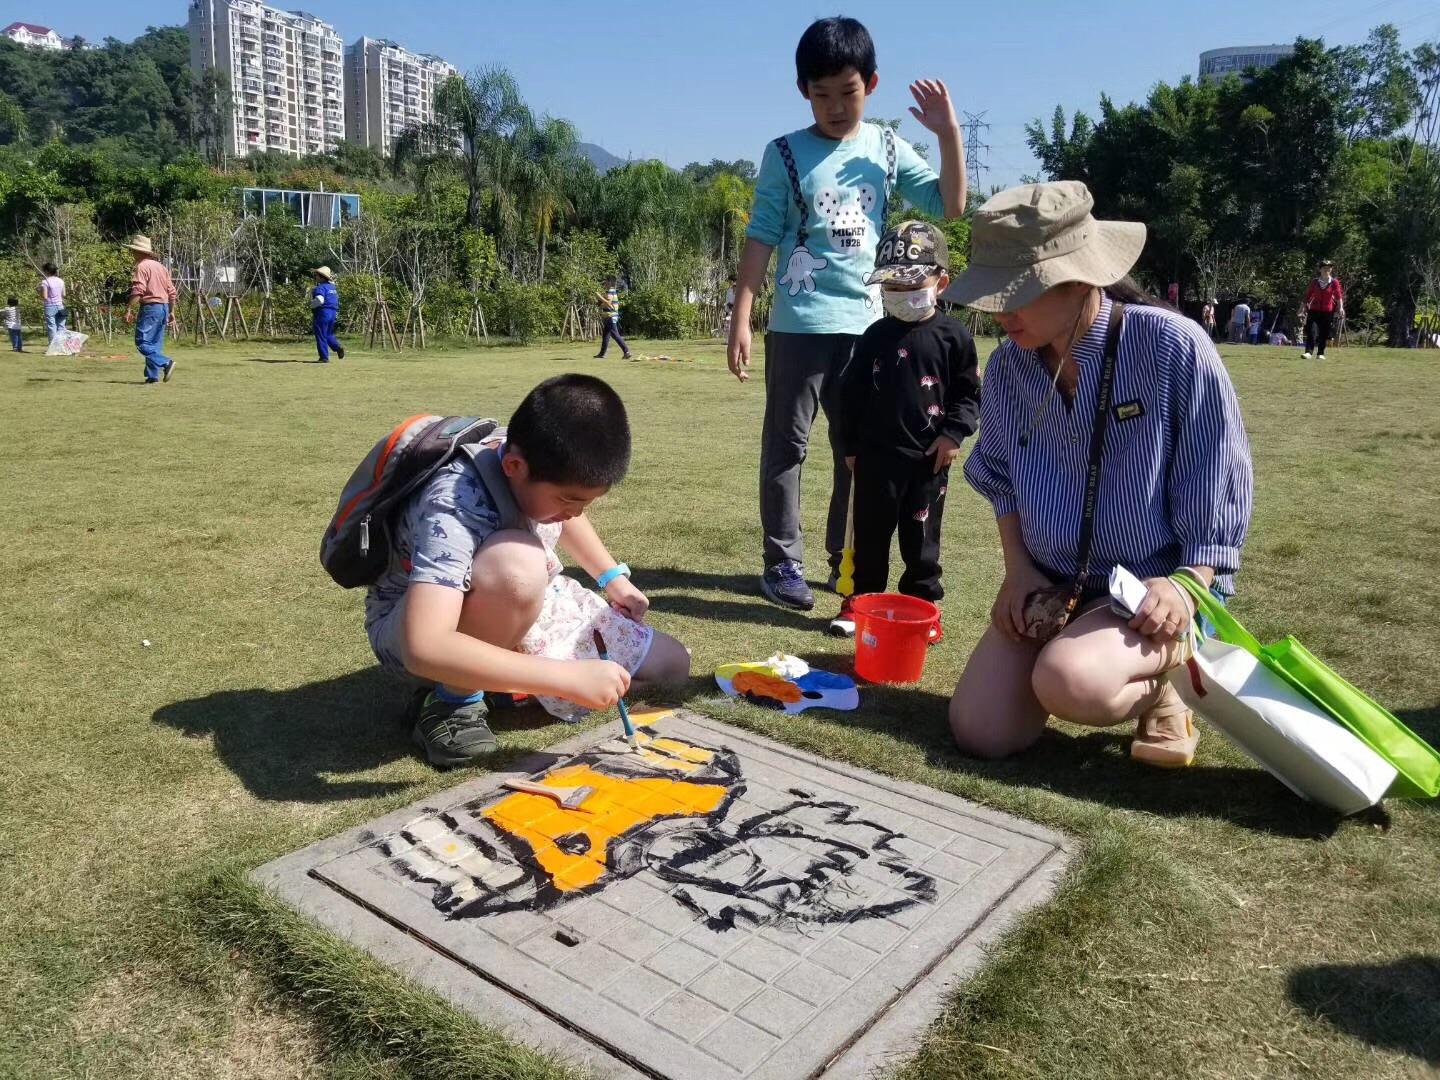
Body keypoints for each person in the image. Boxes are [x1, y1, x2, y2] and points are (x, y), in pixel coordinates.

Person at [943, 181, 1253, 768]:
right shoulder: (1012, 363)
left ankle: (1168, 682)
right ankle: (1080, 649)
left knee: (1070, 682)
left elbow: (1218, 475)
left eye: (1020, 291)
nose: (1001, 310)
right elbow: (1002, 476)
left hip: (1152, 590)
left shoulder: (1170, 345)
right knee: (980, 732)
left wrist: (1188, 582)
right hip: (1053, 580)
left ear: (1082, 278)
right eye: (994, 292)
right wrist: (1018, 572)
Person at [728, 16, 966, 611]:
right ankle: (782, 564)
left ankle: (846, 562)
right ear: (803, 90)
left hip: (871, 332)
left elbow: (952, 204)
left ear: (872, 84)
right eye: (822, 92)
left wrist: (948, 132)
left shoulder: (886, 147)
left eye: (849, 92)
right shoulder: (783, 153)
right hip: (798, 327)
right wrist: (741, 315)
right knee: (786, 448)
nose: (836, 105)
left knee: (855, 453)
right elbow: (761, 235)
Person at [364, 374, 693, 768]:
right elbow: (424, 646)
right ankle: (453, 703)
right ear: (514, 465)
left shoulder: (530, 456)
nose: (575, 512)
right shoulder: (453, 504)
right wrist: (566, 679)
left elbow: (563, 515)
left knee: (672, 667)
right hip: (417, 622)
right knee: (517, 563)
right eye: (569, 499)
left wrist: (612, 578)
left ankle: (501, 684)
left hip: (525, 596)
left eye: (586, 502)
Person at [829, 221, 979, 642]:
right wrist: (850, 446)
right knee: (870, 538)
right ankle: (861, 603)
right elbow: (849, 396)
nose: (899, 296)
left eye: (910, 286)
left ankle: (923, 608)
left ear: (941, 282)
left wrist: (952, 435)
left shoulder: (955, 337)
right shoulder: (875, 335)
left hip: (929, 461)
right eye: (890, 288)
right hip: (876, 458)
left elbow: (969, 394)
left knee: (922, 541)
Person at [123, 235, 178, 384]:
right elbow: (172, 292)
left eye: (133, 251)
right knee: (154, 344)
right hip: (164, 306)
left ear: (139, 252)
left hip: (150, 307)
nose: (132, 254)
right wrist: (171, 311)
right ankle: (152, 376)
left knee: (142, 342)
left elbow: (138, 290)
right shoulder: (161, 267)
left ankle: (166, 363)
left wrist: (128, 309)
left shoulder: (142, 267)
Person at [1300, 259, 1344, 360]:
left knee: (1324, 333)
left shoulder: (1334, 282)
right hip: (1314, 310)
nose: (1326, 270)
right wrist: (1301, 308)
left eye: (1329, 268)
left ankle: (1320, 353)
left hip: (1328, 311)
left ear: (1331, 270)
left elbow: (1338, 296)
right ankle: (1308, 353)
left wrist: (1341, 307)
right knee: (1312, 331)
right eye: (1324, 268)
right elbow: (1307, 296)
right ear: (1320, 269)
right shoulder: (1315, 282)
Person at [309, 266, 344, 363]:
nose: (315, 277)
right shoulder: (332, 287)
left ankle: (324, 357)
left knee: (320, 334)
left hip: (322, 312)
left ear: (321, 277)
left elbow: (320, 300)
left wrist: (311, 305)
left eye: (316, 275)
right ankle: (337, 347)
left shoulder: (320, 288)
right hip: (333, 312)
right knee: (328, 333)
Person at [594, 277, 632, 360]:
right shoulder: (609, 291)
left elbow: (608, 303)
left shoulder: (611, 291)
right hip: (608, 316)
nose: (604, 283)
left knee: (615, 334)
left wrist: (599, 296)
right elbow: (605, 304)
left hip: (611, 316)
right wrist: (599, 303)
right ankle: (602, 354)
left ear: (610, 282)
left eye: (606, 281)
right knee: (606, 335)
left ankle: (626, 352)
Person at [38, 262, 66, 343]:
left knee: (52, 326)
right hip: (60, 306)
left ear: (47, 271)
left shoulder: (45, 282)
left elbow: (45, 297)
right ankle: (62, 346)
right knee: (61, 326)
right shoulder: (61, 281)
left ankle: (53, 347)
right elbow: (64, 294)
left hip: (50, 306)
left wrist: (39, 291)